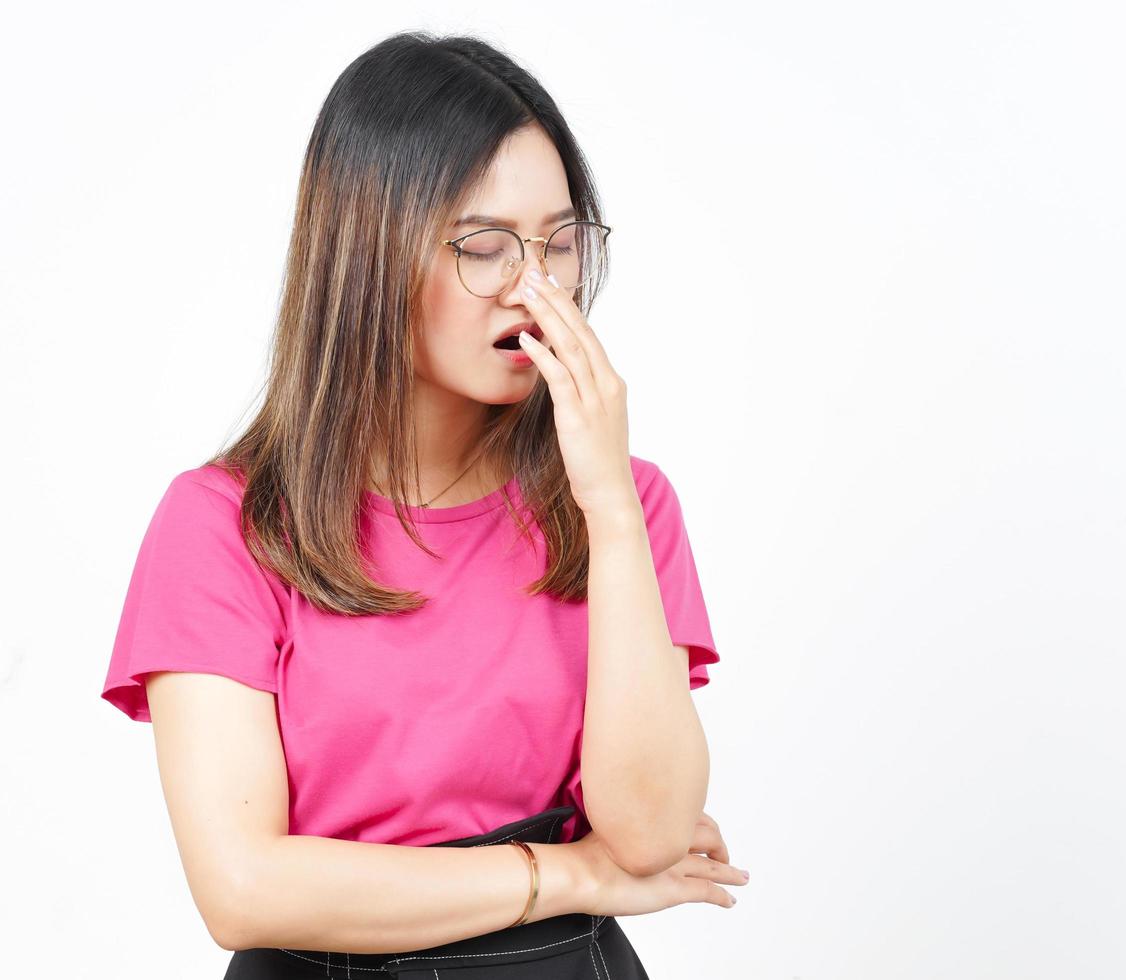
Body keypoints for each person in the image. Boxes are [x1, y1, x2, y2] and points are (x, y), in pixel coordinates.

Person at [99, 30, 746, 978]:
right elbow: (242, 892)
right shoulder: (224, 526)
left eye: (562, 242)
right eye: (486, 246)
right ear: (367, 255)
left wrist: (607, 508)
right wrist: (569, 875)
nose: (538, 285)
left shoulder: (627, 505)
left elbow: (648, 837)